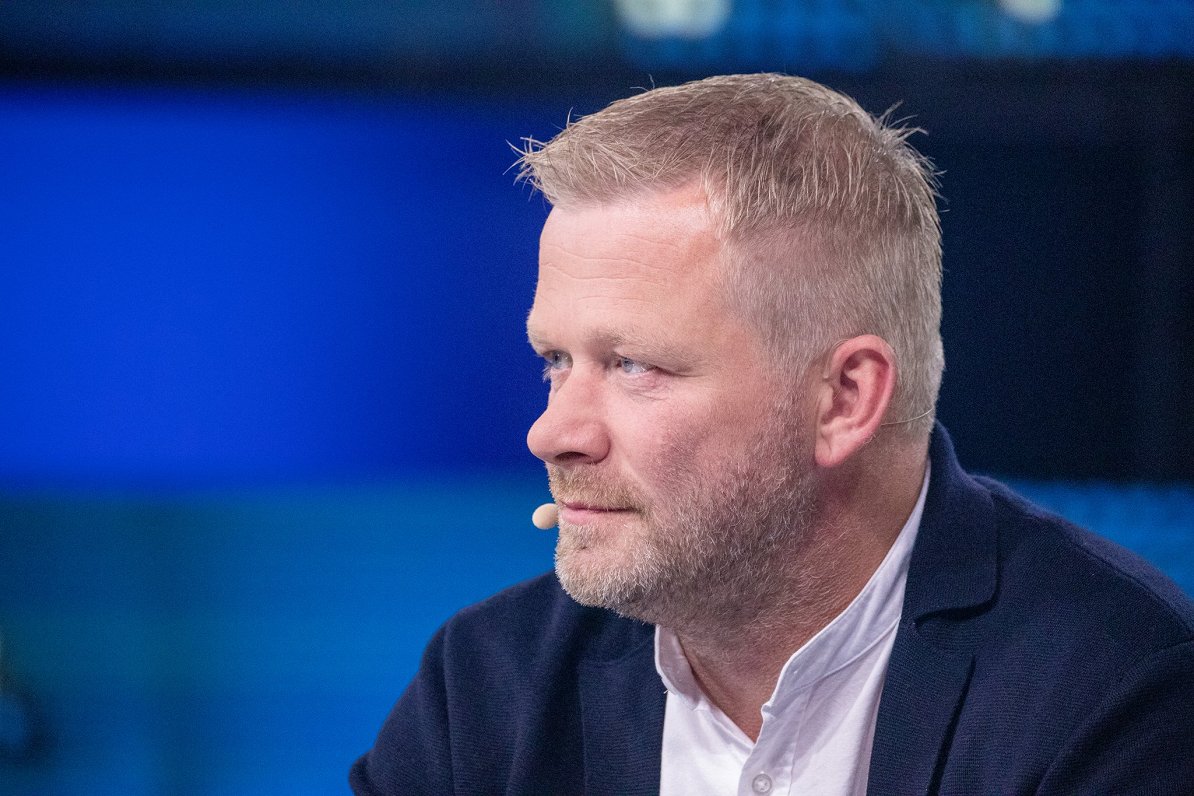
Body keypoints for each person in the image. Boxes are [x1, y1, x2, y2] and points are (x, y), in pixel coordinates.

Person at [350, 74, 1194, 795]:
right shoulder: (484, 690)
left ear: (844, 400)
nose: (551, 433)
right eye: (556, 362)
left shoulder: (1117, 692)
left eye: (633, 365)